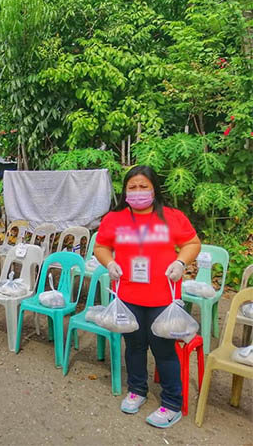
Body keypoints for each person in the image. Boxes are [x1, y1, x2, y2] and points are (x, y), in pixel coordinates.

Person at [94, 165, 201, 429]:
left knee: (164, 351)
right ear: (125, 191)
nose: (138, 192)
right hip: (128, 295)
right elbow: (100, 246)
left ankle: (172, 403)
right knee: (135, 346)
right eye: (133, 187)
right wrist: (109, 264)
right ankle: (138, 390)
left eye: (144, 187)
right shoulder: (115, 219)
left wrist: (180, 263)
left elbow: (192, 243)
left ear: (154, 189)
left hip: (163, 297)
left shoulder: (172, 217)